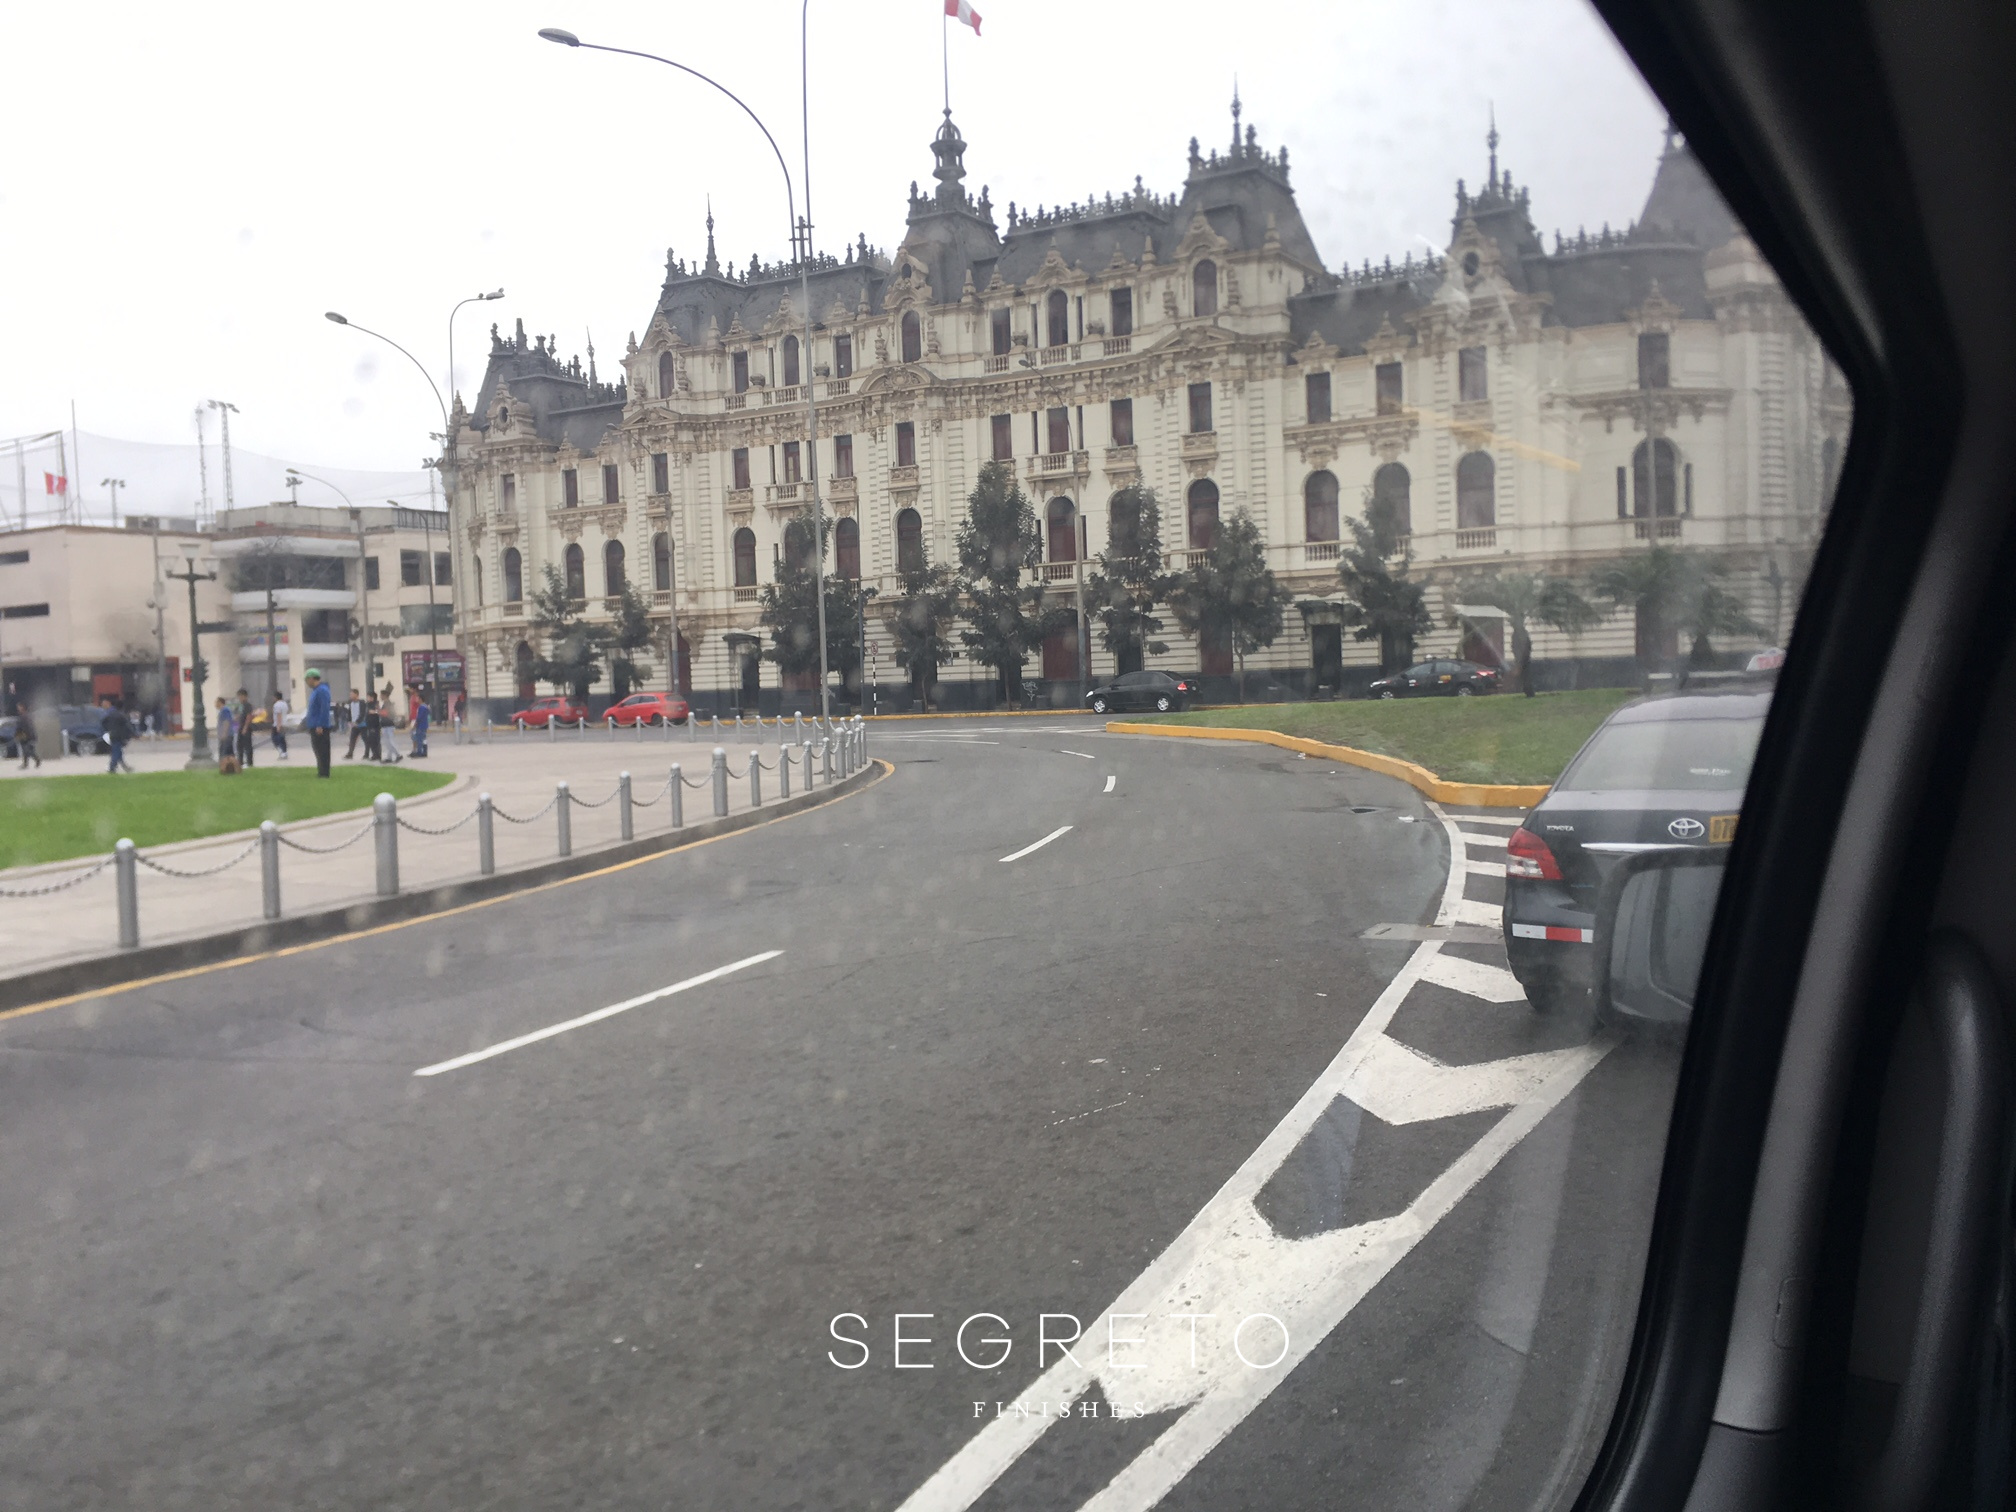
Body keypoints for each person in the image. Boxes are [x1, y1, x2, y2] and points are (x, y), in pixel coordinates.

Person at [302, 668, 333, 778]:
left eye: (307, 680)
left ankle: (324, 773)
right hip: (314, 724)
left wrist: (320, 724)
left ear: (312, 678)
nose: (306, 682)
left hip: (320, 726)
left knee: (322, 750)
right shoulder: (315, 691)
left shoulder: (322, 690)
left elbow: (324, 708)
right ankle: (321, 771)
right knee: (317, 750)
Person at [101, 697, 135, 774]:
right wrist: (133, 734)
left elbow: (103, 722)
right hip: (119, 735)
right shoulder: (120, 715)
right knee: (117, 751)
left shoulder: (109, 714)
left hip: (112, 734)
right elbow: (127, 725)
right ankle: (113, 767)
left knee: (117, 751)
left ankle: (122, 767)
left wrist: (107, 729)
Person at [377, 683, 403, 762]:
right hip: (385, 725)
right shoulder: (386, 703)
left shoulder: (388, 703)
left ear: (385, 695)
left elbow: (386, 713)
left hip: (388, 725)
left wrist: (378, 711)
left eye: (381, 695)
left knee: (390, 741)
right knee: (387, 742)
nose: (380, 696)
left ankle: (398, 755)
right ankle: (389, 757)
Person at [234, 690, 256, 769]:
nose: (239, 698)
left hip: (246, 728)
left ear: (245, 696)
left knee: (247, 746)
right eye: (239, 696)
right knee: (239, 745)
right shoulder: (240, 706)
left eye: (240, 696)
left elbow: (249, 716)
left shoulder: (247, 705)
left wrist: (245, 727)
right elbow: (237, 716)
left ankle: (249, 763)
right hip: (240, 728)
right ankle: (240, 762)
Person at [344, 688, 366, 760]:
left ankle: (367, 754)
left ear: (356, 694)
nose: (350, 696)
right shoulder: (350, 703)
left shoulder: (362, 703)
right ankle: (350, 754)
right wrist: (349, 721)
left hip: (362, 724)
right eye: (350, 694)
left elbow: (362, 713)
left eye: (352, 694)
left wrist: (357, 721)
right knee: (352, 739)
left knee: (365, 740)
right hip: (354, 725)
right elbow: (349, 712)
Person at [361, 695, 383, 763]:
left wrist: (374, 712)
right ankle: (374, 754)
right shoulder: (367, 704)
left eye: (368, 697)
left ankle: (377, 755)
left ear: (372, 698)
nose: (367, 698)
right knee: (371, 740)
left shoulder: (375, 704)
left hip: (374, 725)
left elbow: (378, 712)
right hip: (369, 725)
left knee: (375, 740)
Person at [409, 687, 430, 758]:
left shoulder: (421, 707)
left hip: (420, 725)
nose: (417, 700)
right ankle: (424, 752)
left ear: (420, 699)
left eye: (418, 698)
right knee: (424, 739)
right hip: (425, 725)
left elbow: (419, 717)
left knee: (419, 739)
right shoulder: (426, 707)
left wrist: (415, 724)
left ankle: (419, 752)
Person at [270, 690, 291, 760]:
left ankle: (281, 752)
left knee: (275, 739)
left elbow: (279, 715)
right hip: (284, 723)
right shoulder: (285, 704)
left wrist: (278, 726)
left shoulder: (277, 705)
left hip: (277, 724)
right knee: (282, 739)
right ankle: (285, 752)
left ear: (276, 697)